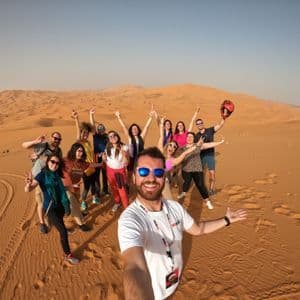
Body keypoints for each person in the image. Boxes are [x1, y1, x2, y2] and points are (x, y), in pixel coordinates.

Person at [118, 147, 247, 299]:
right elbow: (135, 267)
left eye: (158, 172)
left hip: (173, 283)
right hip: (154, 294)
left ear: (164, 177)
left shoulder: (175, 208)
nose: (151, 178)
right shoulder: (130, 219)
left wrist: (226, 220)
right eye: (143, 172)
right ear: (134, 177)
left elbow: (198, 229)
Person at [25, 154, 79, 265]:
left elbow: (60, 189)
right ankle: (67, 254)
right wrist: (28, 185)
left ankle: (59, 226)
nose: (54, 165)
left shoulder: (56, 175)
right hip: (50, 208)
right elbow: (30, 188)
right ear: (48, 162)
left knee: (60, 223)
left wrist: (70, 187)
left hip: (60, 205)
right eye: (52, 162)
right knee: (63, 232)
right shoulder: (42, 175)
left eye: (57, 163)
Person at [22, 132, 63, 234]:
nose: (56, 141)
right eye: (55, 138)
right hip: (39, 179)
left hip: (51, 180)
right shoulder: (43, 145)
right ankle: (42, 223)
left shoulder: (58, 151)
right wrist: (35, 141)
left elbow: (59, 165)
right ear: (51, 138)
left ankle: (51, 217)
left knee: (51, 200)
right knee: (40, 202)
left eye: (59, 139)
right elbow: (24, 145)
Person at [176, 132, 224, 209]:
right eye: (188, 136)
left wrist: (220, 142)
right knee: (186, 182)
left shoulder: (198, 145)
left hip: (197, 169)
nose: (189, 138)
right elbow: (177, 157)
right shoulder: (182, 148)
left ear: (193, 138)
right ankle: (184, 192)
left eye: (191, 137)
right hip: (186, 169)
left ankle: (207, 201)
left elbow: (208, 145)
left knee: (201, 185)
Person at [62, 143, 101, 232]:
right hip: (65, 188)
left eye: (82, 151)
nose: (81, 153)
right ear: (74, 151)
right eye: (79, 151)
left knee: (76, 203)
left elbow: (91, 165)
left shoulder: (82, 163)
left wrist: (102, 164)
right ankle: (80, 224)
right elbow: (52, 164)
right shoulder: (65, 160)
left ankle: (77, 215)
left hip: (76, 188)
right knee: (73, 205)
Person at [157, 116, 198, 200]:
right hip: (152, 180)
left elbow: (185, 153)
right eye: (171, 145)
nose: (172, 147)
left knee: (169, 201)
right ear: (168, 145)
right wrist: (161, 123)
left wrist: (196, 146)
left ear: (175, 150)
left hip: (163, 182)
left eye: (174, 147)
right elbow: (161, 136)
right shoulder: (161, 152)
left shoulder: (173, 161)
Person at [72, 109, 100, 214]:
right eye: (84, 133)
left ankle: (94, 198)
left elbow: (92, 129)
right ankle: (83, 201)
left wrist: (91, 115)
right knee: (86, 187)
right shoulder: (79, 143)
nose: (85, 135)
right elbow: (78, 131)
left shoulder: (87, 142)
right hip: (84, 169)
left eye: (86, 133)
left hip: (91, 167)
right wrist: (76, 119)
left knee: (94, 185)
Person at [194, 110, 228, 195]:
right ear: (196, 125)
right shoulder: (196, 136)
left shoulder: (210, 130)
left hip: (209, 155)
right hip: (200, 156)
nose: (200, 124)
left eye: (201, 123)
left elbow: (220, 125)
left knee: (212, 173)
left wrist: (223, 118)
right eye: (198, 123)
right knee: (199, 174)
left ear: (203, 123)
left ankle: (211, 189)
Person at [102, 131, 129, 212]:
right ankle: (117, 202)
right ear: (109, 139)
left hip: (119, 172)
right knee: (113, 188)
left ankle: (126, 207)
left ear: (118, 136)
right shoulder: (107, 147)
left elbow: (126, 163)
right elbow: (106, 159)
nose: (113, 137)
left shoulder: (124, 147)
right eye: (110, 136)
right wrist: (104, 159)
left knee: (122, 190)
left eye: (114, 135)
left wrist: (123, 154)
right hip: (109, 170)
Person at [89, 108, 109, 196]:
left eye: (102, 129)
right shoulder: (95, 136)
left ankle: (105, 190)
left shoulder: (106, 136)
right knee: (96, 175)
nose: (101, 130)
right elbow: (92, 126)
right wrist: (91, 115)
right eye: (99, 129)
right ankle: (97, 192)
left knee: (105, 175)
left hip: (105, 157)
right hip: (96, 157)